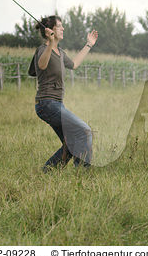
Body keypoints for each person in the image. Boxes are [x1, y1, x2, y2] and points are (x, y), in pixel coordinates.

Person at [32, 15, 98, 172]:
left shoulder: (60, 52)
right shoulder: (42, 50)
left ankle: (45, 174)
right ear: (51, 30)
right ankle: (83, 175)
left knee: (70, 144)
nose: (63, 29)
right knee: (84, 131)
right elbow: (41, 65)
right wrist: (50, 43)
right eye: (59, 26)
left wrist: (89, 44)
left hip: (56, 104)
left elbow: (74, 64)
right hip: (46, 104)